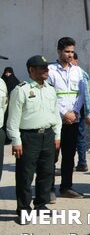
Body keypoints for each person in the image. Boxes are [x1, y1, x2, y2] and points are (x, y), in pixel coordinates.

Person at [6, 55, 61, 221]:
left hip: (48, 135)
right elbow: (13, 120)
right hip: (29, 137)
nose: (46, 70)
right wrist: (16, 140)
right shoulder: (20, 90)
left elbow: (55, 114)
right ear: (31, 70)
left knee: (46, 173)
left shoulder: (50, 89)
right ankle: (23, 209)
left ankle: (41, 205)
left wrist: (57, 135)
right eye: (42, 68)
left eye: (47, 67)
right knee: (25, 175)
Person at [47, 37, 89, 198]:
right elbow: (50, 96)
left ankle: (66, 187)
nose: (70, 55)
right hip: (56, 121)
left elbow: (81, 95)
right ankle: (49, 189)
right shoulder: (50, 71)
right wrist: (63, 114)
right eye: (67, 51)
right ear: (59, 51)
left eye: (72, 51)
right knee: (52, 156)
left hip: (73, 120)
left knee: (69, 155)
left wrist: (75, 113)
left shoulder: (78, 71)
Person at [72, 52, 90, 172]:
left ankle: (82, 162)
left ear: (76, 61)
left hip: (77, 109)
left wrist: (88, 113)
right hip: (68, 109)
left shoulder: (80, 73)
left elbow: (86, 95)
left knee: (79, 137)